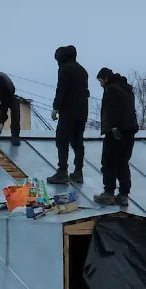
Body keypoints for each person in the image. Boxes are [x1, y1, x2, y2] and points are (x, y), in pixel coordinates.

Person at [94, 67, 140, 207]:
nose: (101, 84)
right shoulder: (127, 90)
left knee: (109, 162)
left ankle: (109, 193)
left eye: (101, 81)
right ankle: (124, 195)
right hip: (130, 132)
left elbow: (109, 111)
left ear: (105, 78)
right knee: (123, 163)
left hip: (116, 132)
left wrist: (110, 127)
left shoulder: (111, 90)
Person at [47, 45, 89, 184]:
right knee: (78, 141)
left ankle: (62, 171)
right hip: (82, 111)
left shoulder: (64, 69)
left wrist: (56, 107)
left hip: (68, 111)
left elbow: (62, 89)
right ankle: (78, 172)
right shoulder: (82, 70)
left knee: (62, 140)